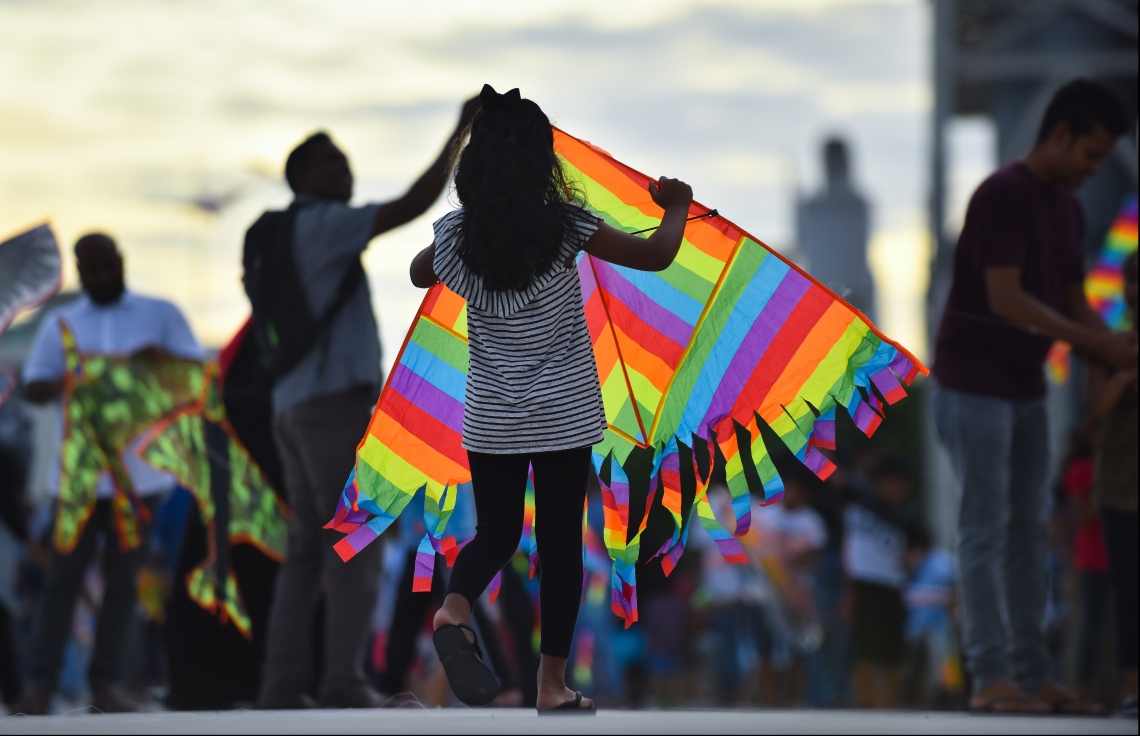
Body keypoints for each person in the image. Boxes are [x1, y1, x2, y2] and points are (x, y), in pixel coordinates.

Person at [409, 84, 693, 712]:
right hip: (564, 413)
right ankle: (551, 685)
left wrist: (454, 240)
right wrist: (677, 205)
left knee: (497, 532)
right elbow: (656, 255)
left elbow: (416, 273)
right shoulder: (565, 226)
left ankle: (454, 608)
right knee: (562, 543)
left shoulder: (456, 238)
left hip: (490, 415)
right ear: (542, 162)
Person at [254, 97, 480, 710]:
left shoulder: (285, 234)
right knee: (357, 538)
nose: (344, 176)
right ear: (301, 178)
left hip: (291, 404)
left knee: (306, 547)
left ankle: (281, 684)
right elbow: (412, 205)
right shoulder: (323, 224)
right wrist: (461, 130)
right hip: (331, 405)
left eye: (346, 165)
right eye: (331, 167)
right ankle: (341, 682)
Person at [930, 78, 1134, 714]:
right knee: (987, 527)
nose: (1094, 170)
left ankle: (1032, 673)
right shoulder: (1003, 194)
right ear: (1061, 134)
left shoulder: (1068, 209)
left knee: (1030, 533)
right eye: (1091, 155)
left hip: (1024, 387)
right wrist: (1094, 345)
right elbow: (1007, 299)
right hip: (972, 385)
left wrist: (1114, 344)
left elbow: (1073, 300)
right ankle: (990, 676)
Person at [16, 233, 204, 715]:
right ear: (80, 271)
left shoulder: (158, 314)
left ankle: (106, 685)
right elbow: (33, 386)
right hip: (76, 484)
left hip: (138, 482)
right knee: (61, 582)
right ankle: (39, 686)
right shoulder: (62, 322)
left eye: (106, 268)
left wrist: (144, 369)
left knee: (124, 585)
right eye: (90, 271)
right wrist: (75, 380)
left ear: (120, 263)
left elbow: (193, 375)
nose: (99, 278)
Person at [1086, 250, 1137, 717]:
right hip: (1122, 487)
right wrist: (1123, 376)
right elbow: (1093, 410)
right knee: (1129, 588)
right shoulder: (1111, 346)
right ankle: (1132, 687)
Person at [843, 456, 928, 709]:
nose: (896, 489)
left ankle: (891, 702)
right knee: (864, 646)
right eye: (891, 483)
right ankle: (866, 702)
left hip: (892, 586)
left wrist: (913, 558)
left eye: (901, 484)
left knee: (893, 650)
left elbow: (922, 544)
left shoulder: (907, 515)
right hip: (863, 584)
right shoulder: (861, 504)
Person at [1058, 429, 1111, 704]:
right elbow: (1080, 515)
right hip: (1091, 558)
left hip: (1117, 555)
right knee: (1089, 626)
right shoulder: (1082, 469)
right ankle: (1083, 688)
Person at [797, 137, 875, 321]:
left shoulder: (814, 207)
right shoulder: (858, 204)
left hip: (846, 296)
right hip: (829, 296)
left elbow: (802, 244)